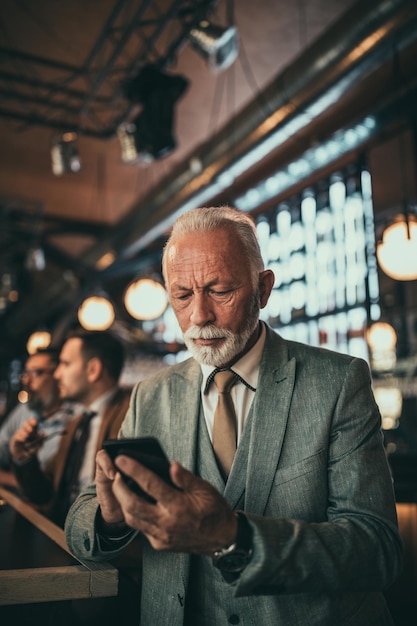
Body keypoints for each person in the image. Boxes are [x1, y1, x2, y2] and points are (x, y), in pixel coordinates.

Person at [65, 206, 402, 626]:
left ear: (263, 289)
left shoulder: (337, 383)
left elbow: (378, 550)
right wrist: (109, 518)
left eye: (219, 290)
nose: (199, 317)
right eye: (182, 296)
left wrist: (232, 538)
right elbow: (81, 518)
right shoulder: (151, 394)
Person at [10, 330, 131, 526]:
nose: (57, 374)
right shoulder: (77, 423)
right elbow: (44, 495)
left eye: (65, 364)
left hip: (104, 549)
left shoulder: (130, 415)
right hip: (62, 539)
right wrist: (24, 459)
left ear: (93, 370)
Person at [0, 347, 74, 488]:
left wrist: (19, 480)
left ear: (57, 376)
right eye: (25, 373)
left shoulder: (76, 420)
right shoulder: (24, 410)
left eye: (36, 373)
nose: (26, 380)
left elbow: (54, 487)